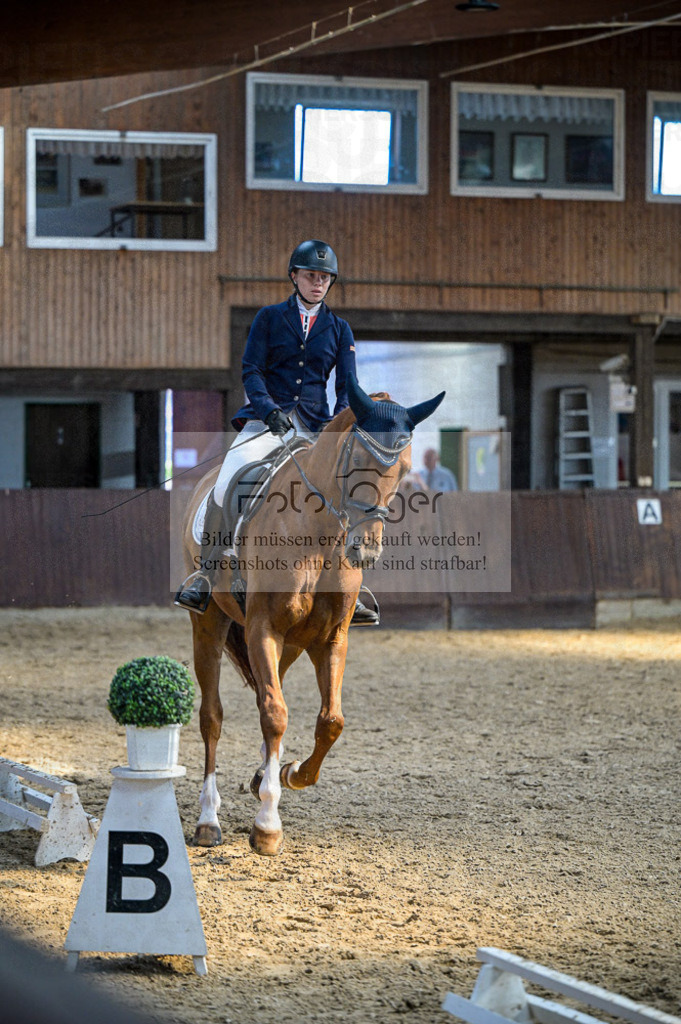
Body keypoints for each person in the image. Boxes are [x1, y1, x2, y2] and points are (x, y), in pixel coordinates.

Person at [175, 239, 379, 624]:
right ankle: (208, 572)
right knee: (229, 480)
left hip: (316, 427)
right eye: (311, 276)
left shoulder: (339, 329)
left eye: (324, 278)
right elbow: (251, 370)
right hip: (265, 420)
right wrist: (269, 410)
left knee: (346, 488)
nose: (317, 283)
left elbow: (347, 386)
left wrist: (336, 427)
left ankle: (349, 584)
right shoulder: (268, 318)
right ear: (294, 277)